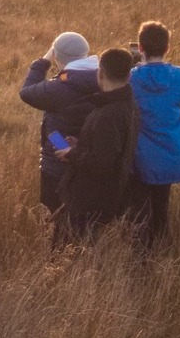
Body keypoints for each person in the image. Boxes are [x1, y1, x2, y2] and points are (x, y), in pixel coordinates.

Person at [128, 20, 180, 248]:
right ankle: (162, 248)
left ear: (140, 48)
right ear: (167, 48)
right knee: (161, 207)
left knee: (140, 212)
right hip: (172, 155)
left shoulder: (133, 77)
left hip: (142, 159)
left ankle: (143, 256)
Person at [18, 31, 101, 220]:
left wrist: (44, 61)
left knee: (54, 217)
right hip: (93, 159)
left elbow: (26, 92)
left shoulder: (59, 87)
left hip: (57, 161)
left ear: (56, 56)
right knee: (87, 219)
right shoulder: (105, 78)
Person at [59, 47, 139, 241]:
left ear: (100, 73)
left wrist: (71, 154)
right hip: (108, 193)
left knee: (73, 248)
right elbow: (111, 148)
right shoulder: (128, 105)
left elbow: (101, 163)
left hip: (91, 199)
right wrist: (81, 144)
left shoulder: (108, 114)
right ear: (129, 75)